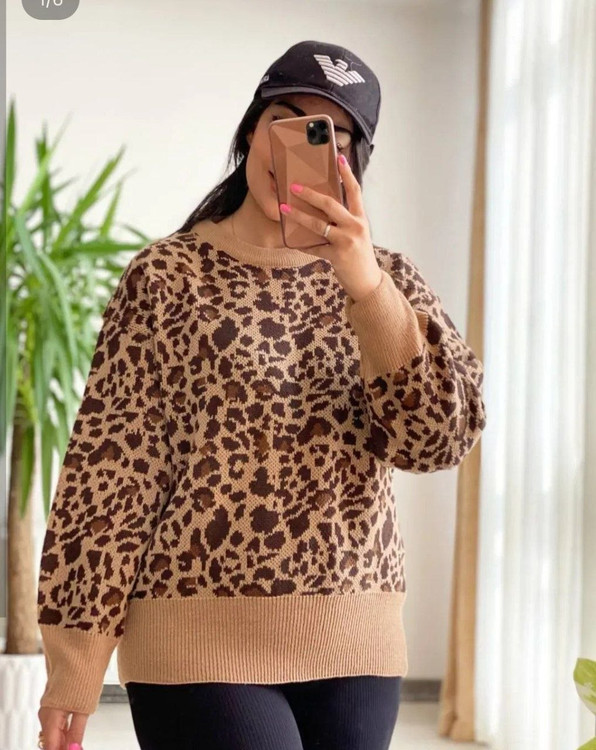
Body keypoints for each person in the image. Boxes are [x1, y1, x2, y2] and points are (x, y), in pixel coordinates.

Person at [36, 39, 487, 750]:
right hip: (194, 638)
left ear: (353, 162)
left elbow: (438, 440)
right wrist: (76, 662)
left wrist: (366, 288)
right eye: (285, 119)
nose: (296, 145)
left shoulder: (388, 280)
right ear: (251, 129)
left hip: (355, 640)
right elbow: (111, 473)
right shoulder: (166, 278)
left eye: (329, 133)